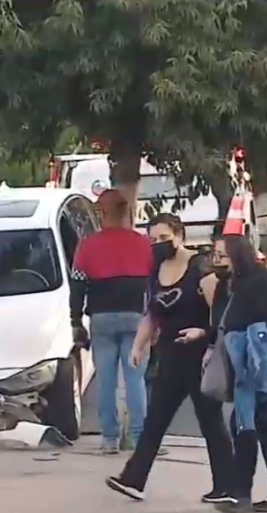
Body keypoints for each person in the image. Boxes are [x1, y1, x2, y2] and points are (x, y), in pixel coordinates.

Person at [106, 213, 235, 503]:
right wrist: (138, 346)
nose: (158, 244)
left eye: (164, 238)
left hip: (199, 356)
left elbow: (221, 315)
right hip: (170, 355)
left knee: (210, 420)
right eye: (153, 239)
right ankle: (133, 479)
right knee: (156, 419)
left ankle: (226, 486)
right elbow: (151, 313)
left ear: (179, 235)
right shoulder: (156, 269)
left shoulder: (200, 267)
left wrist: (205, 335)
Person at [69, 189, 153, 453]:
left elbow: (77, 285)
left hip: (102, 318)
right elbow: (153, 283)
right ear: (126, 212)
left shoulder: (87, 245)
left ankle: (109, 439)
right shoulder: (143, 243)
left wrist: (75, 320)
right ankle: (138, 438)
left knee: (105, 380)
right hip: (136, 317)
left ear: (102, 213)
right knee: (135, 379)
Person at [211, 233, 267, 512]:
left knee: (254, 426)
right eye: (214, 255)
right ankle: (240, 495)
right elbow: (220, 323)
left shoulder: (258, 281)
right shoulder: (228, 285)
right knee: (244, 426)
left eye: (221, 255)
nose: (216, 261)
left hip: (258, 369)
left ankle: (241, 495)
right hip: (242, 369)